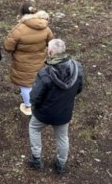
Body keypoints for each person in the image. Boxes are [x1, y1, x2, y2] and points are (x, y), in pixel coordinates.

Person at [27, 38, 84, 175]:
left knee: (34, 128)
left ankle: (36, 159)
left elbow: (34, 96)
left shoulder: (45, 74)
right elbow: (79, 89)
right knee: (63, 138)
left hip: (44, 113)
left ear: (51, 52)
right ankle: (61, 164)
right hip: (64, 113)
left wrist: (35, 105)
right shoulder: (77, 68)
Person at [3, 1, 53, 116]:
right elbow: (51, 42)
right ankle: (39, 101)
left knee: (25, 85)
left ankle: (28, 106)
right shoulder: (45, 27)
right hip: (39, 62)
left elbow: (7, 47)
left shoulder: (19, 29)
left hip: (23, 64)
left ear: (22, 13)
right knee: (37, 81)